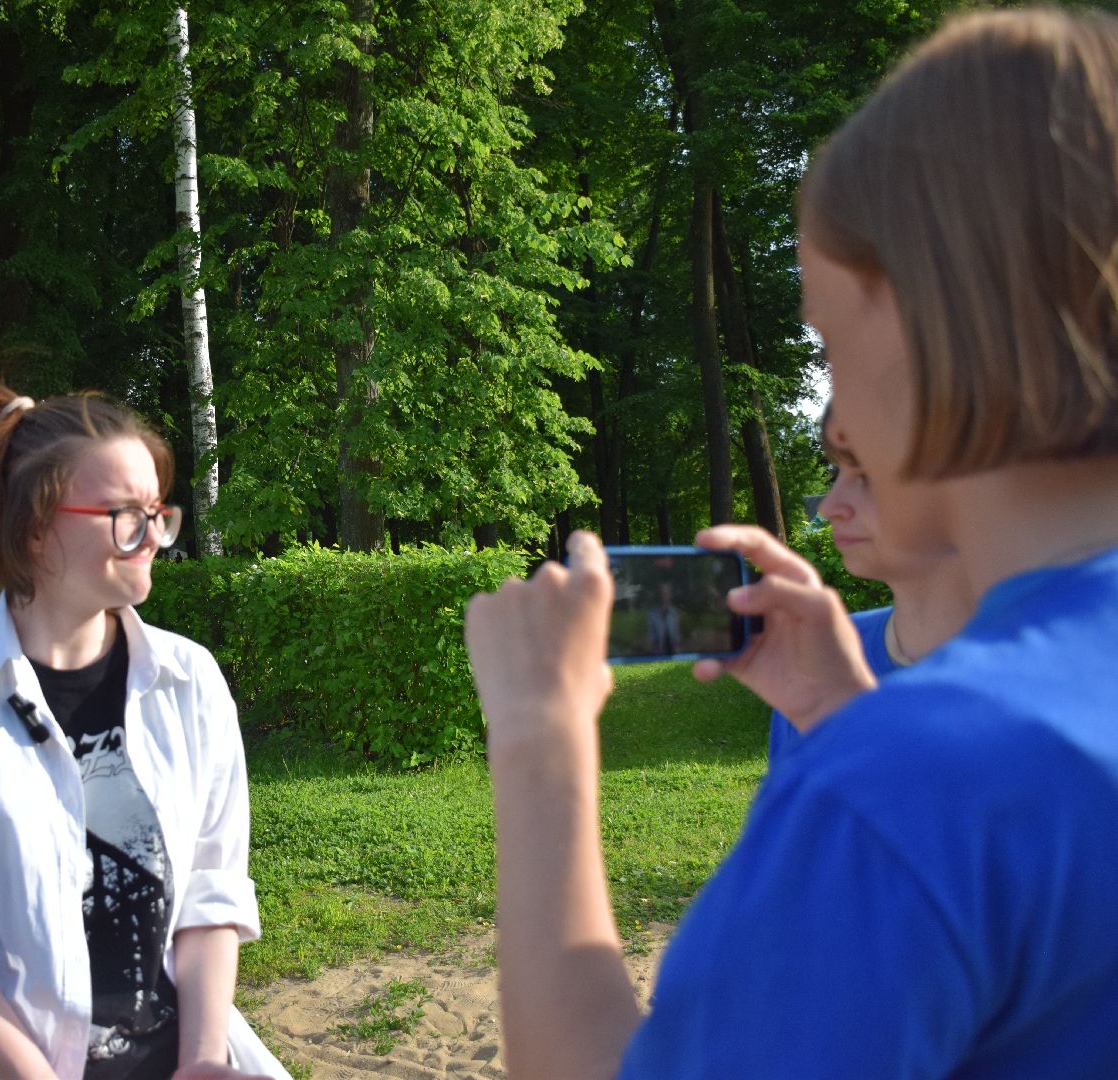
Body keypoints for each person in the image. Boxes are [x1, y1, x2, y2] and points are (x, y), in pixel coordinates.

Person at [466, 9, 1118, 1077]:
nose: (837, 418)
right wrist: (849, 716)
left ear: (928, 323)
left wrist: (539, 737)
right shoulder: (944, 764)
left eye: (827, 339)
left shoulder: (903, 791)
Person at [0, 380, 287, 1080]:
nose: (152, 538)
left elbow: (211, 891)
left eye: (157, 513)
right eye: (124, 515)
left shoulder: (190, 681)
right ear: (34, 526)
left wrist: (205, 1059)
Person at [767, 401, 973, 768]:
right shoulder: (823, 655)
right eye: (837, 473)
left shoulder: (1051, 674)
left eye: (868, 476)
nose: (829, 506)